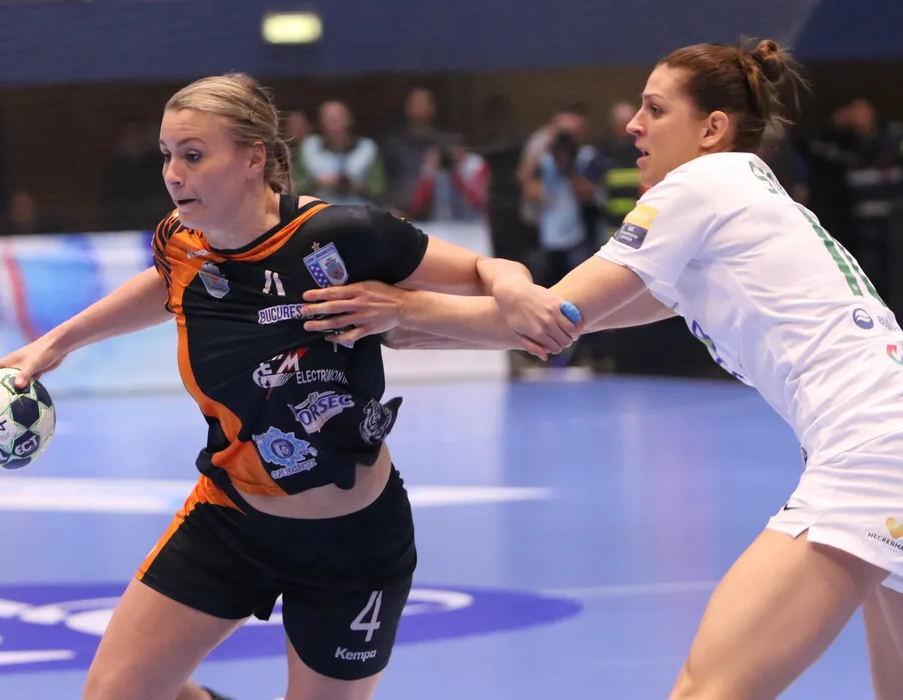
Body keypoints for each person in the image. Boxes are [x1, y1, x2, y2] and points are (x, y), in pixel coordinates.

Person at [301, 39, 903, 699]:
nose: (633, 125)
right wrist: (413, 326)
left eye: (655, 109)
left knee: (710, 688)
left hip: (872, 452)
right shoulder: (743, 200)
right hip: (886, 444)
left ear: (712, 129)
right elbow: (570, 323)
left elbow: (554, 312)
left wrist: (405, 307)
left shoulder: (701, 185)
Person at [0, 72, 539, 700]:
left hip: (353, 541)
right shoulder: (181, 245)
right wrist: (57, 343)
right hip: (231, 520)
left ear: (252, 158)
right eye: (167, 155)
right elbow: (166, 283)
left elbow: (485, 269)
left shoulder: (342, 236)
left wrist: (515, 289)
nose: (173, 174)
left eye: (193, 155)